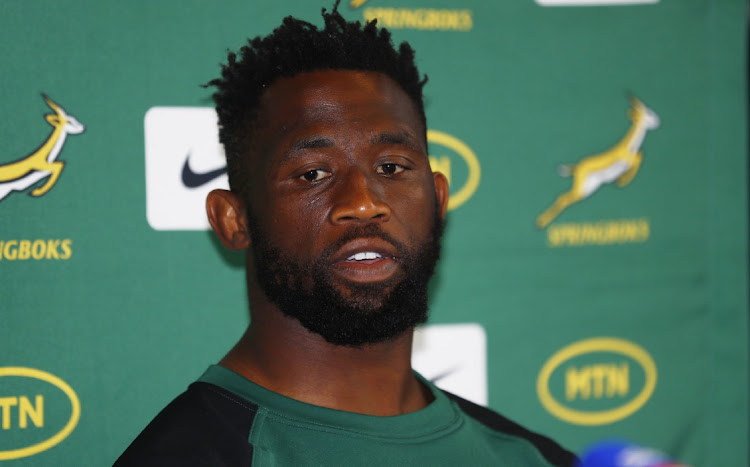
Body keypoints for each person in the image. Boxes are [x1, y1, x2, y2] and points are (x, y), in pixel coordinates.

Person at [117, 2, 576, 465]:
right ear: (233, 220)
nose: (363, 202)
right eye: (313, 174)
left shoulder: (534, 457)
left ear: (437, 200)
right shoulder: (183, 456)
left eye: (392, 167)